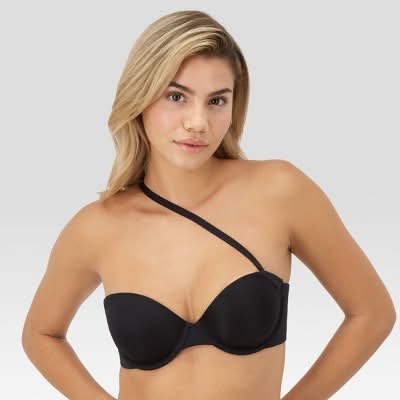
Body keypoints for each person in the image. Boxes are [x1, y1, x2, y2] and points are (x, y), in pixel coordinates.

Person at [21, 10, 396, 400]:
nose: (198, 122)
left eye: (216, 100)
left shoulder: (280, 192)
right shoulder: (97, 227)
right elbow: (40, 334)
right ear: (140, 96)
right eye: (176, 97)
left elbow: (372, 313)